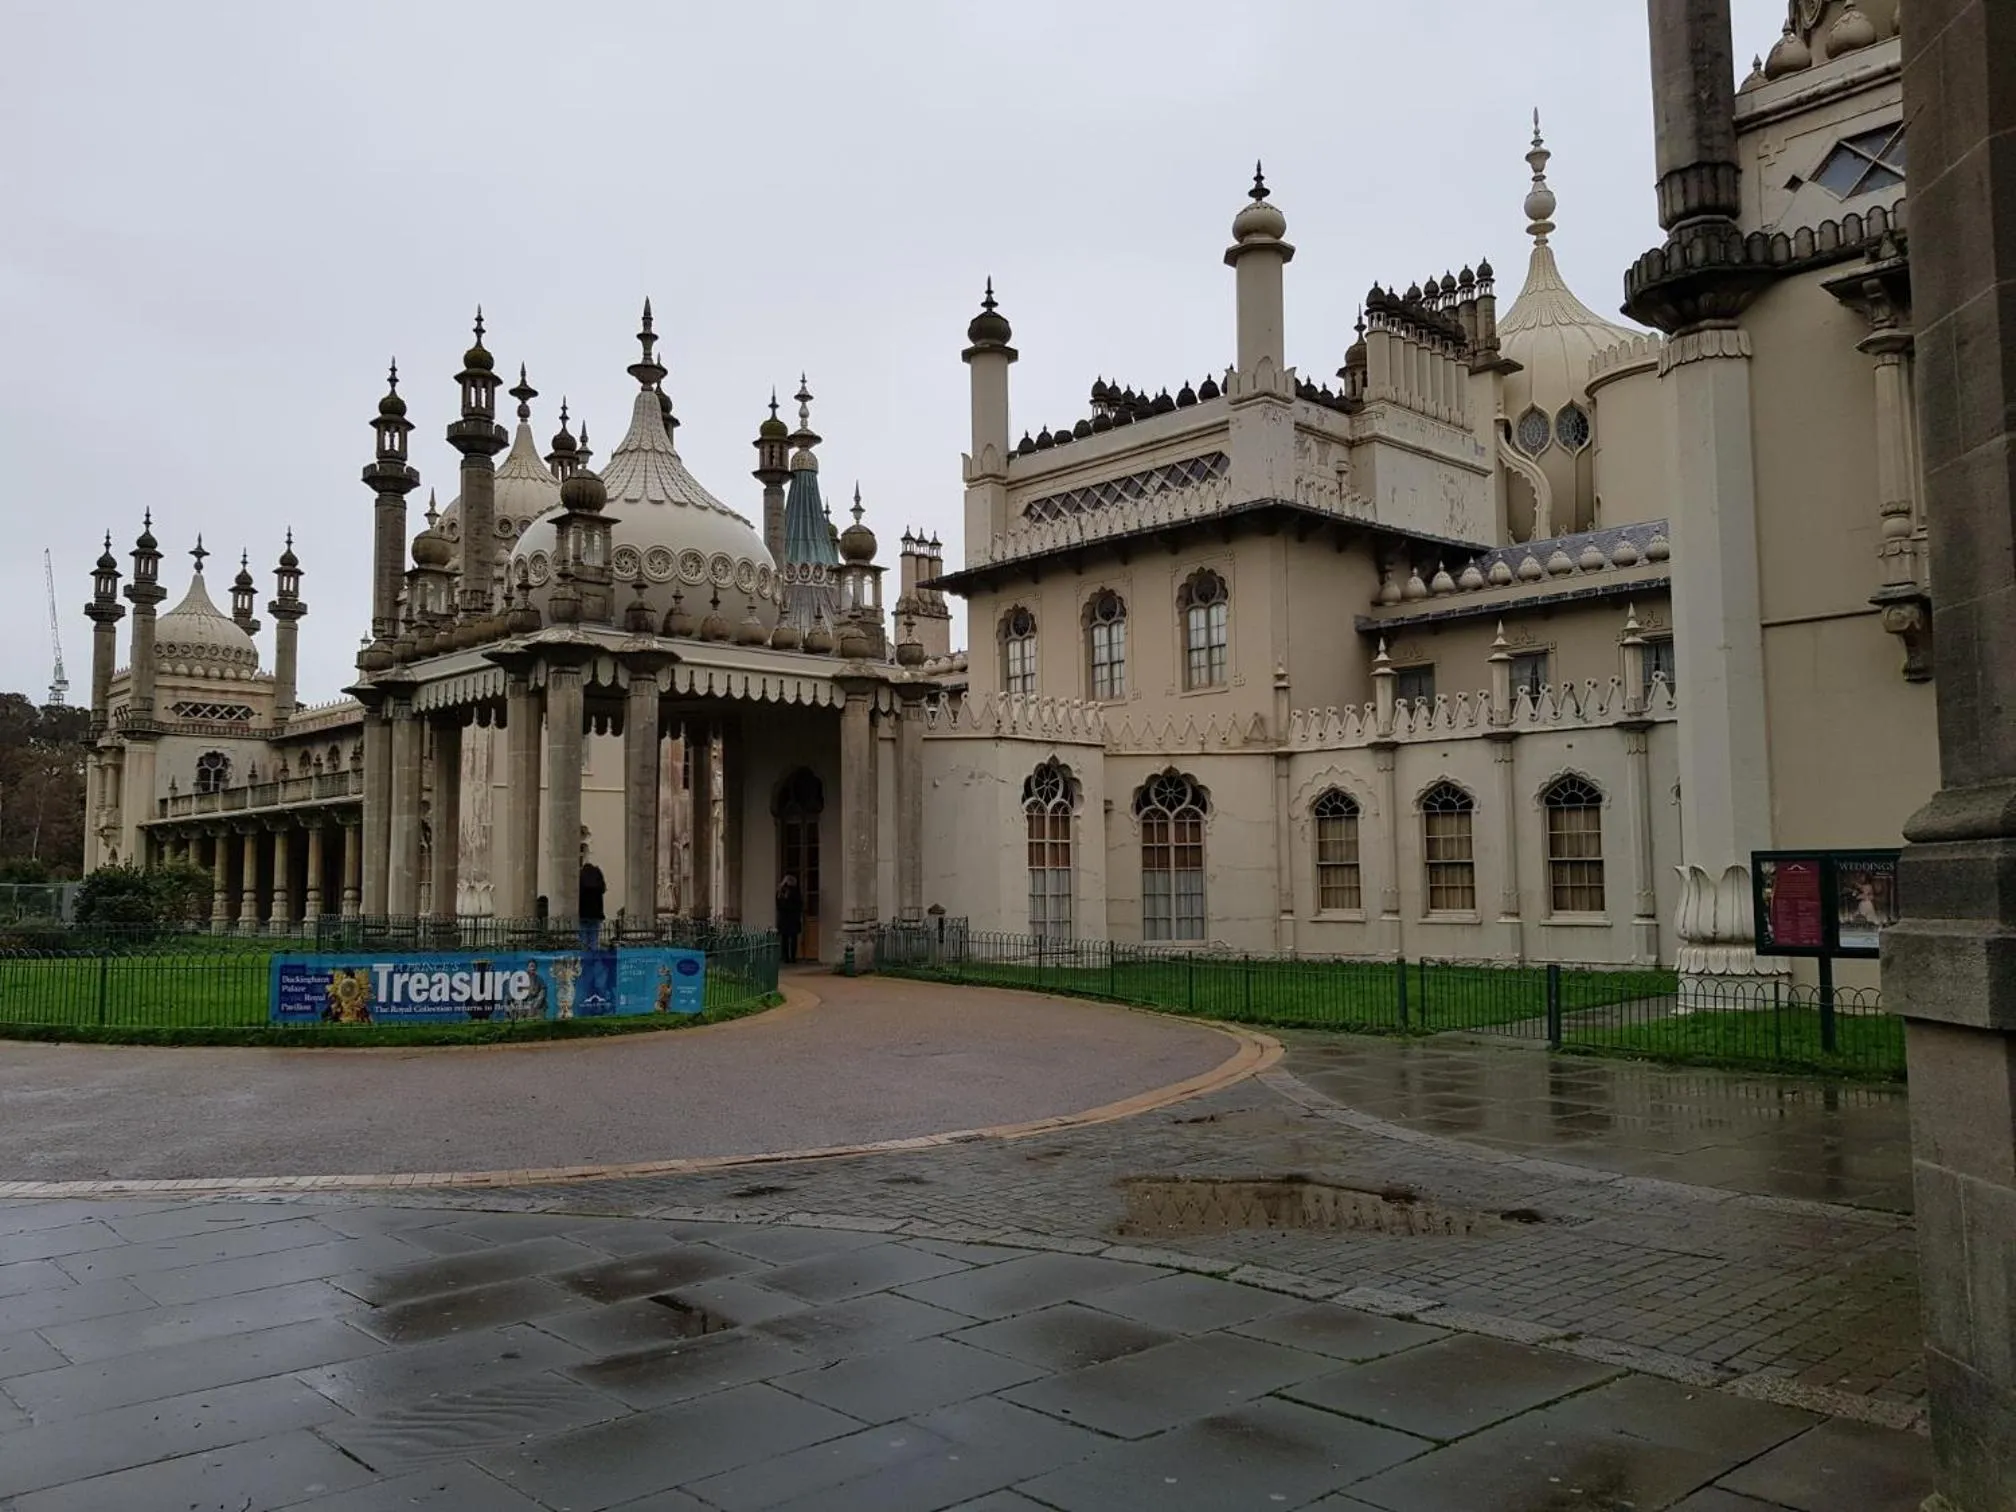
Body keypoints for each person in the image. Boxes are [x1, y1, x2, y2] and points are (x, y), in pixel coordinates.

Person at [578, 857, 607, 950]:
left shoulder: (581, 877)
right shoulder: (597, 877)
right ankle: (592, 959)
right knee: (594, 940)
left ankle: (584, 959)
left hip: (582, 913)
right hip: (596, 914)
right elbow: (603, 889)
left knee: (583, 939)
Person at [775, 873, 804, 964]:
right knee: (791, 938)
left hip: (786, 918)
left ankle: (786, 957)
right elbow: (799, 904)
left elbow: (779, 905)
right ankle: (790, 957)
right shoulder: (790, 891)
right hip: (791, 918)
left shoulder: (781, 891)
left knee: (786, 939)